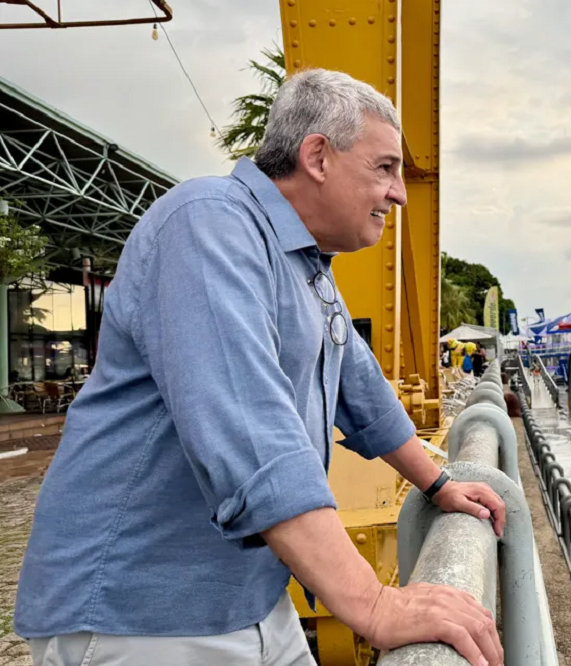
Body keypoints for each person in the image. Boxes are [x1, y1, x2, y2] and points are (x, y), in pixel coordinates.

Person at [15, 70, 505, 666]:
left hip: (250, 599)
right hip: (142, 613)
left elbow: (361, 387)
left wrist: (438, 482)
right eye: (385, 168)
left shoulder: (305, 265)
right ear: (318, 156)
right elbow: (251, 434)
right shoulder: (207, 223)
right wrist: (376, 605)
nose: (399, 192)